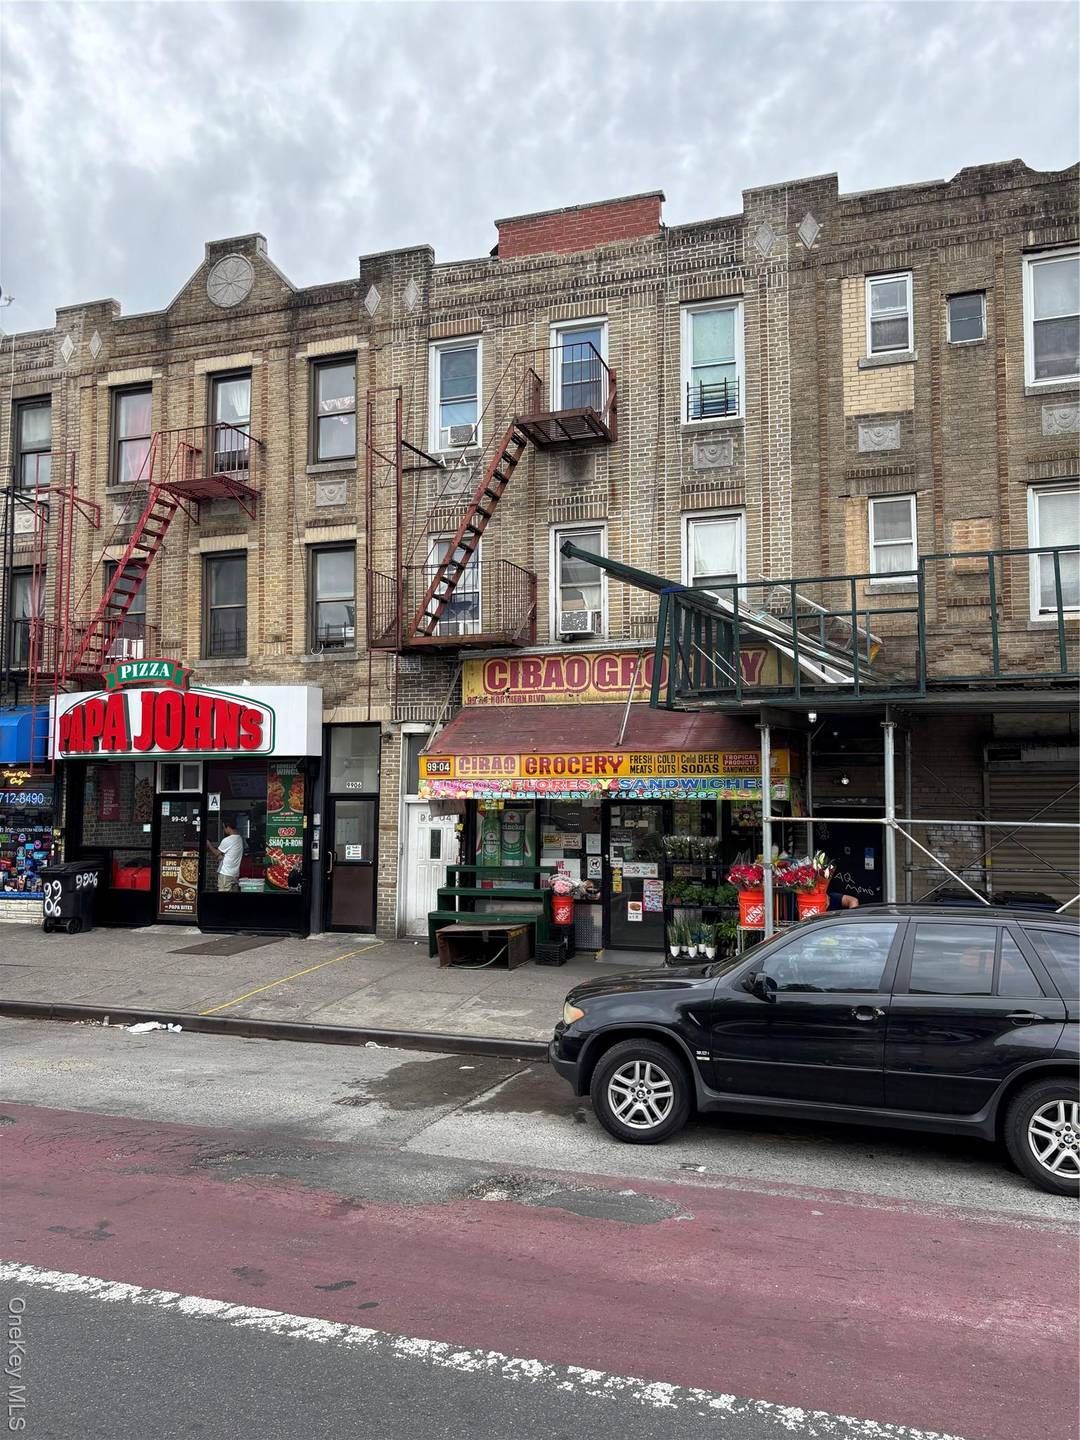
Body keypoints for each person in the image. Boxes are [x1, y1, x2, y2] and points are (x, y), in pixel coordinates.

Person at [209, 820, 244, 893]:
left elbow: (217, 853)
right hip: (235, 874)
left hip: (226, 874)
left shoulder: (227, 840)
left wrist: (209, 844)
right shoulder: (240, 839)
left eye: (223, 828)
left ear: (228, 827)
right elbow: (229, 855)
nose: (224, 830)